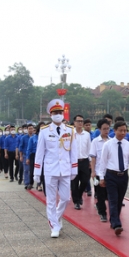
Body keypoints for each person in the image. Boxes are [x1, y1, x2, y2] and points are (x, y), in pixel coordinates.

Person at [33, 100, 78, 238]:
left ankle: (56, 217)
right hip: (50, 170)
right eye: (55, 113)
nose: (58, 115)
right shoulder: (45, 131)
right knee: (51, 200)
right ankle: (53, 225)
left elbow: (73, 151)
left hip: (65, 169)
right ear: (50, 114)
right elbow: (40, 153)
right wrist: (37, 172)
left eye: (60, 112)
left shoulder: (70, 130)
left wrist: (74, 168)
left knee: (65, 198)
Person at [96, 121, 129, 236]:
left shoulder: (128, 145)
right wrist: (102, 177)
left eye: (125, 130)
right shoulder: (108, 145)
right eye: (121, 130)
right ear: (115, 131)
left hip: (123, 176)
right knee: (113, 200)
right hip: (111, 175)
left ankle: (114, 220)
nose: (123, 133)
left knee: (119, 200)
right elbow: (103, 162)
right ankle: (117, 224)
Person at [90, 119, 111, 222]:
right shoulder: (95, 142)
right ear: (99, 129)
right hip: (99, 172)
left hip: (110, 172)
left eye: (108, 128)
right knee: (101, 194)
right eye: (104, 129)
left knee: (110, 195)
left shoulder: (112, 141)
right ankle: (102, 213)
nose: (106, 131)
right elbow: (93, 158)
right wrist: (93, 171)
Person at [71, 114, 91, 210]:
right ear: (74, 123)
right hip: (74, 162)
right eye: (78, 121)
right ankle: (76, 201)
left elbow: (89, 148)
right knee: (74, 182)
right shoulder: (70, 133)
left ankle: (79, 196)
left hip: (84, 161)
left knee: (85, 181)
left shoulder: (87, 134)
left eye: (81, 121)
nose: (80, 123)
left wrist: (90, 161)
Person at [26, 124, 39, 190]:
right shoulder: (32, 138)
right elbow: (29, 149)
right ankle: (31, 183)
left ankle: (39, 184)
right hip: (33, 155)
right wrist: (27, 158)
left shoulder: (44, 137)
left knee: (41, 170)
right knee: (32, 170)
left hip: (41, 155)